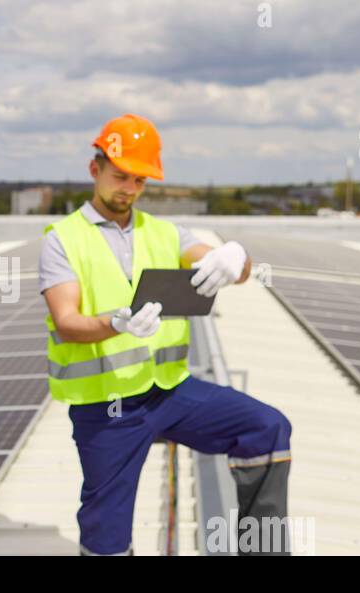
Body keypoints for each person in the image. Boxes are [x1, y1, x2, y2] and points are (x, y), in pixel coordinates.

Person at [40, 114, 293, 556]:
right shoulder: (63, 239)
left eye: (139, 180)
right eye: (121, 176)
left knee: (267, 427)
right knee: (106, 528)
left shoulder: (164, 233)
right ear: (94, 169)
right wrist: (114, 323)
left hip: (170, 393)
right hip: (108, 406)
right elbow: (66, 320)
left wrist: (236, 258)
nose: (130, 189)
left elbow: (224, 265)